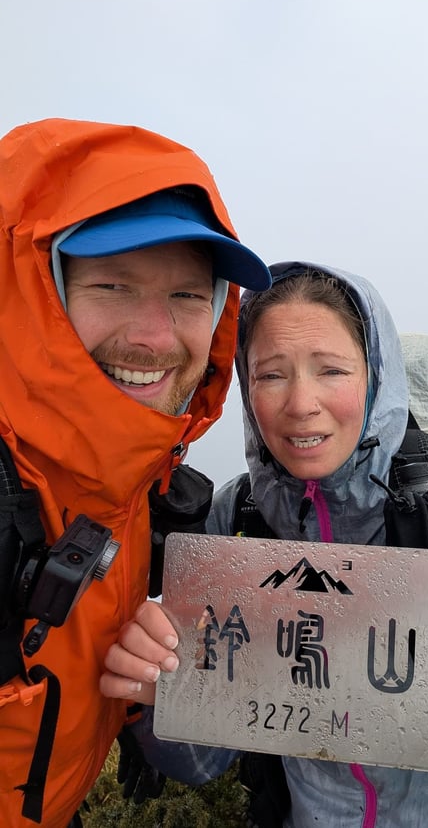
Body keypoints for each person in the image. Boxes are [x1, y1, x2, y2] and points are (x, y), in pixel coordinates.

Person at [102, 262, 428, 828]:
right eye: (270, 375)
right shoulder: (236, 520)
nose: (301, 403)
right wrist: (157, 700)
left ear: (377, 376)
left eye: (331, 370)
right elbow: (205, 760)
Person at [0, 117, 272, 828]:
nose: (155, 336)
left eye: (188, 296)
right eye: (112, 285)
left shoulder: (136, 490)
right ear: (29, 290)